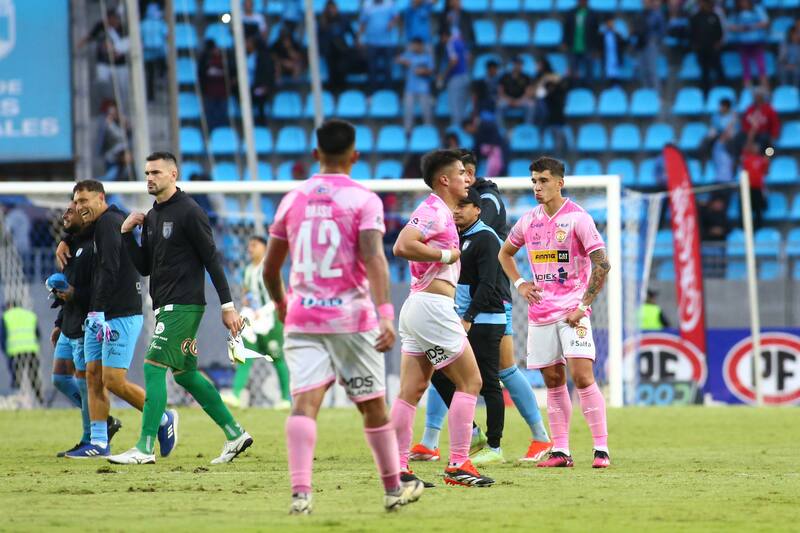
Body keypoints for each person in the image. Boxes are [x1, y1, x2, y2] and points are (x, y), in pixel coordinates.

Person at [261, 120, 423, 513]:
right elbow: (374, 258)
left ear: (315, 155)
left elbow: (270, 268)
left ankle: (301, 495)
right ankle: (390, 489)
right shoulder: (364, 200)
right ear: (355, 156)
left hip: (303, 318)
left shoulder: (292, 200)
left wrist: (283, 305)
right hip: (352, 319)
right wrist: (386, 314)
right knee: (372, 407)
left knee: (304, 405)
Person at [108, 152, 253, 465]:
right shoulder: (152, 216)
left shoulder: (189, 211)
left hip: (184, 304)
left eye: (156, 172)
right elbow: (145, 267)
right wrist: (126, 235)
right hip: (164, 305)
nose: (150, 178)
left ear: (173, 174)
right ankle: (235, 433)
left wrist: (228, 305)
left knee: (152, 366)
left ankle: (145, 448)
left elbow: (212, 259)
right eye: (147, 173)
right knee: (186, 375)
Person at [411, 152, 551, 464]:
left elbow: (488, 253)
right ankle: (432, 440)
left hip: (491, 301)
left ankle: (538, 437)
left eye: (465, 172)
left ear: (470, 174)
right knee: (446, 366)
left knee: (500, 370)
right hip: (462, 304)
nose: (457, 211)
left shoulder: (488, 205)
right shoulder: (459, 211)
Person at [498, 157, 612, 469]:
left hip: (573, 311)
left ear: (559, 183)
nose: (537, 187)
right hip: (540, 313)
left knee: (582, 376)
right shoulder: (528, 221)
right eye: (534, 181)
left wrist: (583, 307)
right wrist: (521, 283)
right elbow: (505, 253)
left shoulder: (578, 218)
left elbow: (602, 264)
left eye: (544, 181)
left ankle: (601, 449)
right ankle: (561, 451)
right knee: (552, 379)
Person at [392, 149, 493, 487]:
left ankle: (400, 469)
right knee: (471, 382)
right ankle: (459, 464)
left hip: (418, 306)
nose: (469, 178)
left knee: (412, 390)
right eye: (462, 173)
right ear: (445, 180)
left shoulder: (442, 212)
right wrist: (444, 254)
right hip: (432, 308)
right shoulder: (433, 210)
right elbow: (402, 245)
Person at [64, 180, 173, 459]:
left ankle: (163, 418)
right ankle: (99, 441)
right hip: (98, 314)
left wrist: (99, 311)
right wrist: (65, 240)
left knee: (113, 380)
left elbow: (110, 267)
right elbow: (82, 241)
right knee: (93, 376)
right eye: (77, 202)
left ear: (101, 198)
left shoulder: (110, 222)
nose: (80, 207)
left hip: (119, 312)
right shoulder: (96, 227)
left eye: (85, 200)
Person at [50, 203, 122, 456]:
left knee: (86, 384)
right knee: (59, 378)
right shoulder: (69, 246)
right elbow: (68, 286)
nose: (66, 215)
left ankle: (90, 435)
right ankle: (103, 418)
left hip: (85, 322)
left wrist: (74, 295)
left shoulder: (95, 246)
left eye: (71, 210)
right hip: (68, 321)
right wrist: (59, 322)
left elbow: (99, 289)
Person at [222, 236, 291, 409]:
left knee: (277, 358)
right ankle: (236, 395)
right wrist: (247, 303)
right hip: (254, 321)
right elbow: (246, 293)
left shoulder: (270, 268)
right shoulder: (248, 270)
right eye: (249, 245)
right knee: (244, 356)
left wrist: (266, 310)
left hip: (270, 320)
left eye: (254, 245)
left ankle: (286, 399)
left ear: (265, 248)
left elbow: (279, 294)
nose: (250, 248)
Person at [1, 301, 43, 405]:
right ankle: (40, 400)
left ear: (10, 306)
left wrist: (5, 351)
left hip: (15, 351)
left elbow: (2, 337)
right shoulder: (30, 315)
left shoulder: (6, 316)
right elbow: (38, 334)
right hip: (31, 350)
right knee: (34, 376)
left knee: (16, 378)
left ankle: (18, 400)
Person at [359, 0, 399, 94]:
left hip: (387, 43)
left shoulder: (389, 3)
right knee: (372, 69)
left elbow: (397, 17)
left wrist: (392, 23)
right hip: (371, 42)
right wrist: (360, 38)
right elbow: (363, 22)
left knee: (388, 68)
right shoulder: (367, 4)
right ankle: (373, 92)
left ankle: (388, 92)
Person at [728, 0, 769, 89]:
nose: (743, 3)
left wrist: (752, 26)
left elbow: (765, 23)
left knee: (761, 66)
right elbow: (730, 26)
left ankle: (765, 90)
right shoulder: (736, 12)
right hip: (743, 43)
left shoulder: (757, 9)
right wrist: (741, 28)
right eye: (741, 1)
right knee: (746, 68)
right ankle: (748, 91)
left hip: (757, 42)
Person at [397, 37, 434, 135]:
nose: (414, 47)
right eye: (413, 45)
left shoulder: (427, 57)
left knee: (426, 112)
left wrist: (422, 71)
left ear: (421, 45)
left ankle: (428, 131)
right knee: (408, 111)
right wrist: (403, 61)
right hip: (410, 88)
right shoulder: (409, 55)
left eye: (416, 45)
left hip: (423, 88)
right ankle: (408, 132)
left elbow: (431, 70)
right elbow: (397, 59)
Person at [319, 0, 357, 94]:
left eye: (333, 8)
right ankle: (333, 92)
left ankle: (343, 91)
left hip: (342, 51)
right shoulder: (323, 21)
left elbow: (351, 32)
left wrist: (355, 42)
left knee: (342, 71)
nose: (332, 10)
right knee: (332, 72)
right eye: (330, 8)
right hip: (329, 51)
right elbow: (319, 36)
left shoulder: (343, 19)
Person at [689, 0, 724, 96]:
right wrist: (695, 46)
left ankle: (722, 90)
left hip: (713, 50)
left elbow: (720, 32)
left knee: (718, 70)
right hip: (701, 50)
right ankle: (705, 93)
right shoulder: (695, 17)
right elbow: (692, 33)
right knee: (704, 73)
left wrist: (717, 44)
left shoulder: (714, 16)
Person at [438, 26, 470, 128]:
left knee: (455, 106)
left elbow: (453, 61)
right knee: (463, 106)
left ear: (444, 36)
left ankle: (457, 130)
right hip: (465, 76)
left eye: (441, 38)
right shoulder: (460, 42)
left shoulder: (450, 44)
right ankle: (463, 130)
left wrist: (443, 75)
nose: (441, 41)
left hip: (456, 78)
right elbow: (468, 57)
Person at [562, 0, 599, 85]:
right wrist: (564, 42)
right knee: (573, 69)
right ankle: (575, 86)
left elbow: (595, 32)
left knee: (589, 69)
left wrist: (595, 48)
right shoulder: (570, 13)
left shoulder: (593, 14)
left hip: (588, 46)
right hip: (572, 46)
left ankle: (589, 87)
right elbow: (566, 29)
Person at [634, 0, 666, 91]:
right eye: (644, 2)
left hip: (651, 44)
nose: (645, 3)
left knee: (652, 70)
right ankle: (647, 95)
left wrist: (655, 40)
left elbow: (662, 31)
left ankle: (657, 96)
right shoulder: (639, 14)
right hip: (641, 44)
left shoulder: (657, 15)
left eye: (647, 1)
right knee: (643, 71)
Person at [496, 56, 535, 132]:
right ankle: (500, 129)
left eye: (520, 64)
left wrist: (519, 101)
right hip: (507, 100)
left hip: (521, 100)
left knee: (531, 105)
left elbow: (528, 93)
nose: (518, 66)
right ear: (512, 65)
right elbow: (500, 92)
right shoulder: (505, 76)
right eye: (516, 64)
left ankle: (527, 128)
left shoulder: (526, 77)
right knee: (499, 105)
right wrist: (510, 100)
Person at [140, 3, 167, 102]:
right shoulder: (160, 23)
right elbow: (166, 34)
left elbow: (140, 37)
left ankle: (151, 96)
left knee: (150, 75)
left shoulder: (143, 24)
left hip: (148, 53)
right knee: (159, 70)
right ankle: (161, 76)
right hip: (159, 52)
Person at [741, 141, 769, 230]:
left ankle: (758, 228)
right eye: (754, 147)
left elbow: (765, 172)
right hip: (747, 188)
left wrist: (767, 161)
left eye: (756, 147)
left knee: (758, 210)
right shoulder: (746, 158)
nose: (755, 149)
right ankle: (745, 228)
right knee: (746, 208)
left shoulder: (761, 159)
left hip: (758, 188)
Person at [600, 15, 626, 87]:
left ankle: (616, 86)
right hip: (606, 57)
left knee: (616, 75)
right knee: (607, 75)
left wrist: (617, 32)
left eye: (612, 22)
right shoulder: (602, 34)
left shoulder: (617, 34)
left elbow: (624, 43)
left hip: (616, 57)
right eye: (608, 23)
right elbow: (599, 45)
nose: (610, 24)